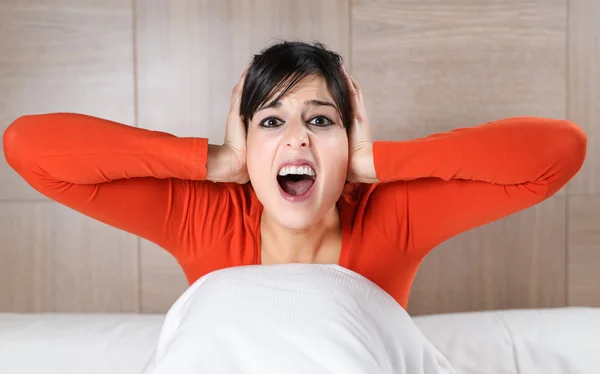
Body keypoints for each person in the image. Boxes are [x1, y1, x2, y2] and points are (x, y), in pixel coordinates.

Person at [3, 40, 587, 309]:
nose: (297, 137)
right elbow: (28, 147)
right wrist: (216, 161)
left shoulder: (392, 219)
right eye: (272, 121)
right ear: (248, 144)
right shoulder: (202, 218)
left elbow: (558, 153)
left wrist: (376, 163)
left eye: (321, 120)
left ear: (348, 140)